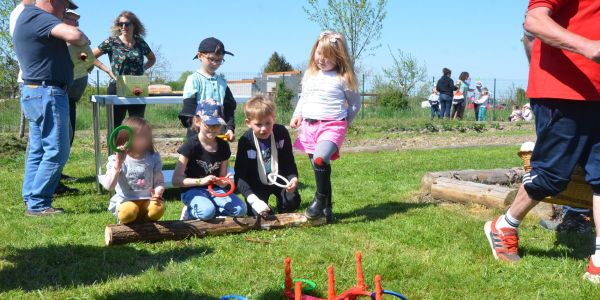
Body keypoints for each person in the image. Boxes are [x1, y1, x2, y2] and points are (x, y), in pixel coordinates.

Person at [484, 0, 600, 282]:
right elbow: (534, 21)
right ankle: (505, 224)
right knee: (551, 176)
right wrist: (590, 48)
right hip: (563, 91)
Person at [13, 0, 90, 216]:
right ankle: (38, 203)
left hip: (35, 92)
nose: (66, 10)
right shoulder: (39, 17)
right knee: (57, 150)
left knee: (38, 150)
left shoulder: (28, 16)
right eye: (64, 5)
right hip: (48, 93)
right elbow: (76, 37)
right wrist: (81, 35)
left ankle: (31, 197)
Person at [290, 31, 360, 222]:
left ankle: (320, 200)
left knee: (320, 160)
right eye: (319, 53)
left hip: (332, 126)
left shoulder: (343, 78)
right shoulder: (310, 75)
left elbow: (355, 104)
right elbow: (303, 98)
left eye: (328, 56)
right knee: (319, 167)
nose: (322, 59)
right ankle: (327, 210)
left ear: (338, 58)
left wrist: (345, 121)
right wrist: (297, 115)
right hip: (309, 126)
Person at [173, 99, 246, 221]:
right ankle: (191, 210)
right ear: (197, 121)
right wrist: (201, 181)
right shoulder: (190, 146)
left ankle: (209, 209)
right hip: (192, 190)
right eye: (208, 124)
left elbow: (222, 177)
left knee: (240, 209)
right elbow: (176, 180)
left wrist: (223, 182)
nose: (213, 129)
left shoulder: (223, 146)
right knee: (207, 212)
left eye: (216, 125)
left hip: (215, 189)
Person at [235, 95, 301, 217]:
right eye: (258, 124)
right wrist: (252, 199)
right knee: (257, 213)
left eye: (268, 123)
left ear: (273, 119)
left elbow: (288, 161)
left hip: (279, 179)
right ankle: (264, 207)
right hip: (256, 183)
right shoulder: (245, 140)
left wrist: (293, 178)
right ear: (248, 123)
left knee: (292, 203)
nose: (264, 128)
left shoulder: (281, 133)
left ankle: (283, 202)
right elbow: (240, 176)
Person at [93, 11, 155, 127]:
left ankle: (136, 146)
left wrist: (142, 69)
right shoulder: (112, 41)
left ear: (134, 25)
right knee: (115, 125)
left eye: (127, 23)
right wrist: (107, 70)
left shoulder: (140, 43)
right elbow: (90, 56)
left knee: (137, 125)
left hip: (137, 88)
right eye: (120, 24)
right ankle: (114, 146)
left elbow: (152, 59)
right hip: (116, 88)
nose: (123, 27)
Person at [101, 117, 165, 224]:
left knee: (157, 210)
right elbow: (108, 186)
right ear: (127, 137)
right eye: (140, 136)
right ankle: (129, 221)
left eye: (147, 136)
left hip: (147, 200)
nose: (145, 140)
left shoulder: (153, 158)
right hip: (126, 201)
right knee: (128, 212)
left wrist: (159, 191)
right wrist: (118, 164)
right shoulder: (116, 159)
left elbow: (159, 181)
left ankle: (146, 223)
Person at [178, 37, 237, 141]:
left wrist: (230, 128)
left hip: (218, 133)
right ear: (200, 56)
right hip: (197, 135)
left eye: (219, 60)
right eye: (211, 59)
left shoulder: (222, 83)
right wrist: (198, 126)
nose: (215, 63)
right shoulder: (193, 80)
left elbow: (229, 108)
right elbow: (189, 109)